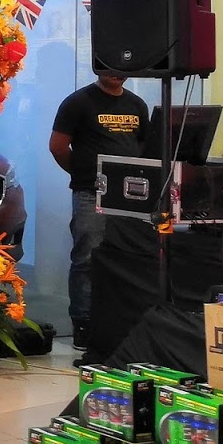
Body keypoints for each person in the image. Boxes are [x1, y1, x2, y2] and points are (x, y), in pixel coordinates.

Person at [49, 72, 148, 351]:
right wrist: (83, 173)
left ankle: (119, 323)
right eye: (109, 66)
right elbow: (57, 147)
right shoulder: (78, 102)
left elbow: (145, 147)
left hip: (130, 196)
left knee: (127, 259)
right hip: (91, 193)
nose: (116, 73)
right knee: (87, 257)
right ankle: (83, 323)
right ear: (97, 67)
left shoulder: (137, 104)